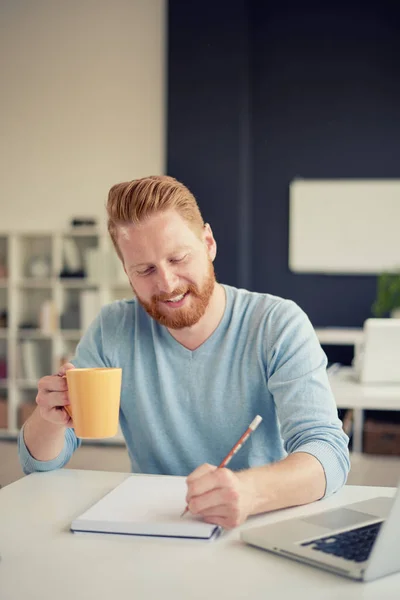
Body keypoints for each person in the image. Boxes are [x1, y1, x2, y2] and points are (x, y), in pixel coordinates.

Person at [18, 175, 350, 529]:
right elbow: (39, 463)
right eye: (144, 270)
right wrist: (48, 418)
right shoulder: (113, 327)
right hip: (156, 526)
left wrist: (249, 491)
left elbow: (327, 451)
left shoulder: (277, 324)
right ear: (128, 275)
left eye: (178, 258)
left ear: (208, 243)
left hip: (259, 521)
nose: (166, 284)